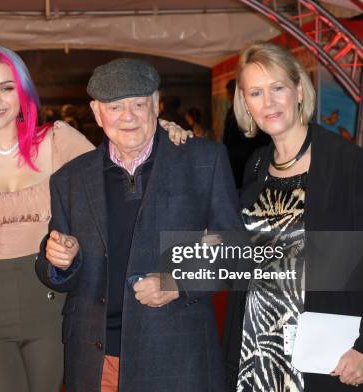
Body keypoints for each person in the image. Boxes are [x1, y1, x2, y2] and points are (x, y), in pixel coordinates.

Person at [0, 47, 190, 392]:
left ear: (24, 92)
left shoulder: (58, 140)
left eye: (7, 87)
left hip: (54, 307)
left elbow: (118, 170)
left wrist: (157, 132)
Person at [35, 58, 244, 391]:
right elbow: (55, 272)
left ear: (156, 105)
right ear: (96, 111)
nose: (128, 116)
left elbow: (234, 249)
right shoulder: (69, 180)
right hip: (97, 358)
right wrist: (60, 261)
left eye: (138, 104)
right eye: (115, 107)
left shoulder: (204, 161)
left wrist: (178, 282)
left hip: (178, 354)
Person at [223, 41, 363, 392]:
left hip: (329, 355)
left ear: (299, 91)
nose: (268, 102)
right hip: (259, 349)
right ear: (245, 104)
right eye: (255, 93)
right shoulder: (257, 164)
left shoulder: (344, 162)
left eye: (277, 88)